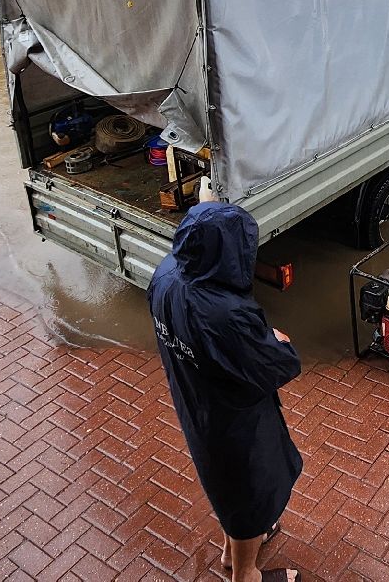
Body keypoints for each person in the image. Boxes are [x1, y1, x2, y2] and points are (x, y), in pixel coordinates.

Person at [149, 193, 303, 582]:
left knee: (226, 487)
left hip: (196, 404)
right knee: (250, 490)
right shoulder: (225, 313)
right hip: (237, 421)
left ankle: (234, 547)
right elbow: (275, 365)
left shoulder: (166, 274)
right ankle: (244, 572)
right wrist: (276, 341)